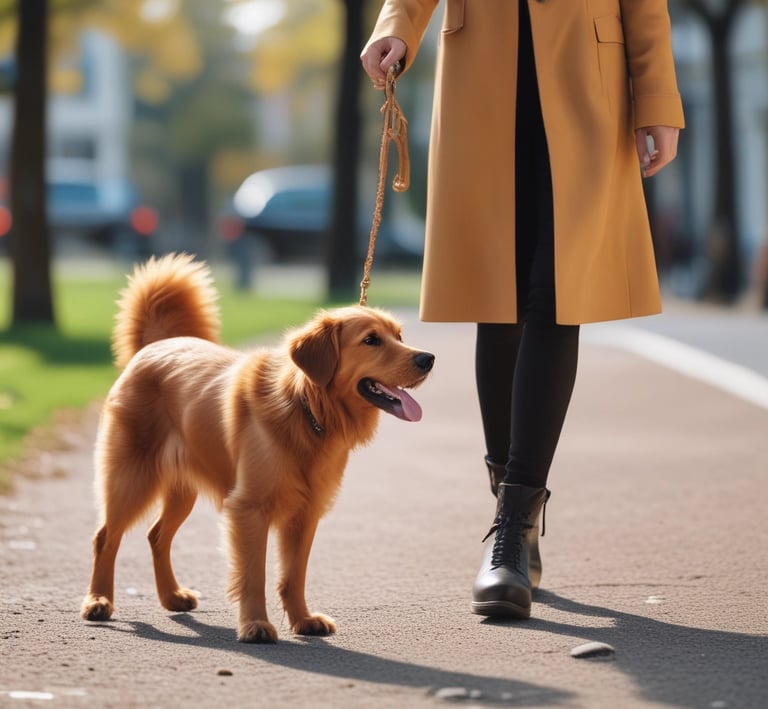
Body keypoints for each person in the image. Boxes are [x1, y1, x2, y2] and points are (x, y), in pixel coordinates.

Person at [361, 0, 684, 620]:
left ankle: (512, 525)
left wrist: (658, 100)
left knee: (556, 297)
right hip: (482, 80)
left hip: (588, 79)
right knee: (499, 301)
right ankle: (517, 520)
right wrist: (395, 28)